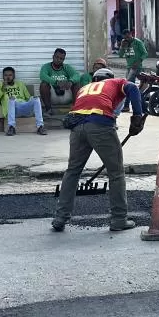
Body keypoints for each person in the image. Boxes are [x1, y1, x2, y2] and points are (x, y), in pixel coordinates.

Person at [51, 67, 146, 233]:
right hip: (100, 125)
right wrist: (137, 115)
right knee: (116, 172)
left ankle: (60, 218)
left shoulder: (85, 88)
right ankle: (119, 219)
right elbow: (133, 88)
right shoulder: (116, 82)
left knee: (73, 171)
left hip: (77, 127)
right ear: (109, 77)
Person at [0, 66, 47, 137]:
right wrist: (2, 89)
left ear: (14, 76)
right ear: (3, 77)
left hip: (24, 108)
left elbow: (28, 98)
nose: (8, 77)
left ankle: (40, 127)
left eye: (10, 75)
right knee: (11, 99)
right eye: (5, 75)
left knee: (36, 99)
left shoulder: (20, 84)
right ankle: (11, 127)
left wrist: (32, 99)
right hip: (12, 110)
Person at [39, 48, 82, 115]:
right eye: (57, 57)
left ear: (63, 59)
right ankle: (48, 110)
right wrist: (56, 82)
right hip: (53, 95)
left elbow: (77, 75)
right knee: (43, 85)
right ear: (53, 56)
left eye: (61, 58)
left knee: (77, 84)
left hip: (66, 94)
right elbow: (42, 76)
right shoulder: (46, 67)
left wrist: (70, 82)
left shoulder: (66, 67)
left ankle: (75, 110)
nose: (58, 60)